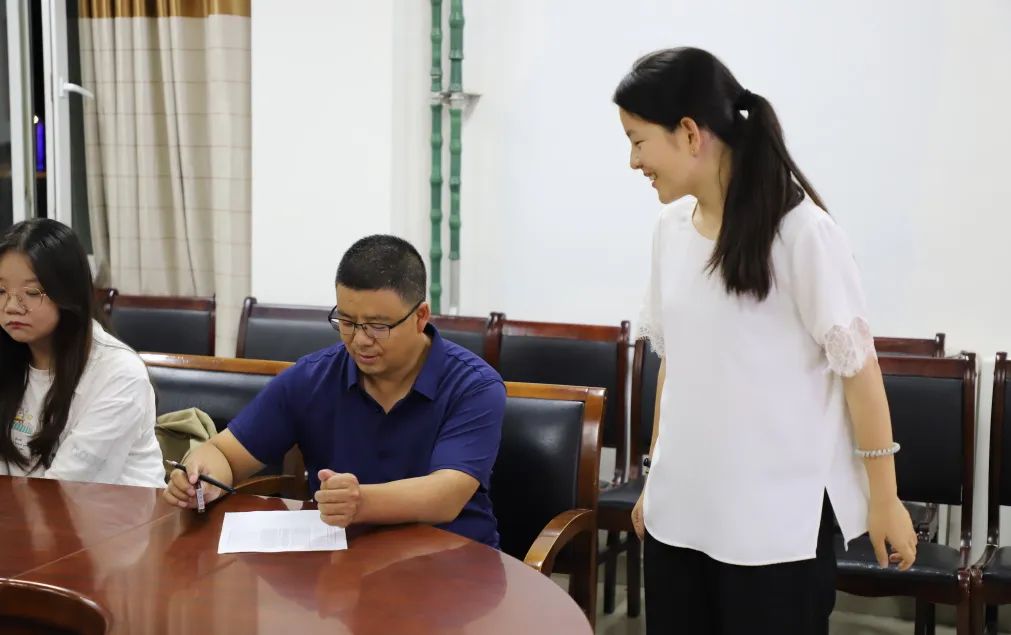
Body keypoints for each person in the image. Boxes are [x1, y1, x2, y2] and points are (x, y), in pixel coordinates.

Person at [616, 47, 917, 633]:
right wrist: (655, 478)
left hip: (774, 532)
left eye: (637, 141)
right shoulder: (669, 231)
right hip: (681, 515)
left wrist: (885, 500)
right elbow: (675, 367)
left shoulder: (802, 233)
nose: (633, 161)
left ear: (690, 133)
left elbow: (860, 375)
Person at [163, 235, 505, 547]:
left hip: (454, 562)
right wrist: (199, 477)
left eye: (377, 326)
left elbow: (446, 495)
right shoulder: (312, 377)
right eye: (347, 321)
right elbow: (224, 454)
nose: (359, 340)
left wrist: (361, 502)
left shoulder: (473, 385)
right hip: (344, 566)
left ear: (420, 316)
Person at [0, 218, 164, 487]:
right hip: (24, 509)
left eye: (31, 292)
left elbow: (66, 488)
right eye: (1, 290)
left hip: (109, 512)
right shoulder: (10, 357)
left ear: (67, 292)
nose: (11, 306)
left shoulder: (119, 373)